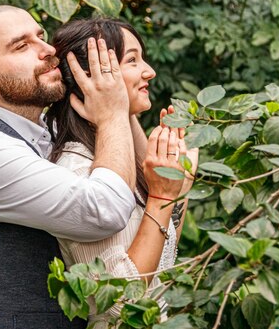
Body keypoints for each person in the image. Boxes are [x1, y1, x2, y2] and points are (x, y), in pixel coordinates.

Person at [0, 5, 141, 329]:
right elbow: (106, 210)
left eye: (41, 37)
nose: (48, 51)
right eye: (22, 45)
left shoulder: (48, 131)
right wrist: (113, 112)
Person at [47, 18, 198, 328]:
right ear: (95, 77)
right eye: (132, 60)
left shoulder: (121, 162)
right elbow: (121, 304)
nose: (149, 71)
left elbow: (161, 261)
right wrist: (159, 197)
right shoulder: (77, 173)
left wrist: (177, 191)